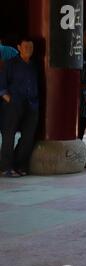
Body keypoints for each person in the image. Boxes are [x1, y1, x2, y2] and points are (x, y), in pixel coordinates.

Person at [0, 37, 39, 177]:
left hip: (31, 105)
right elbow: (2, 86)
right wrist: (9, 100)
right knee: (8, 136)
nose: (28, 49)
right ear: (19, 48)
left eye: (31, 47)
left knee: (28, 137)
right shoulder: (10, 64)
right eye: (26, 47)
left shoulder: (35, 65)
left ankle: (20, 165)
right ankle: (6, 167)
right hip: (13, 104)